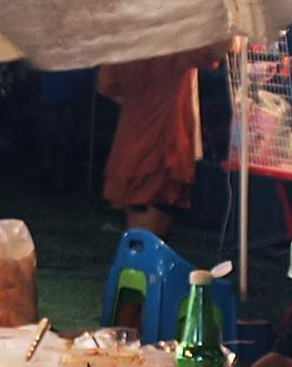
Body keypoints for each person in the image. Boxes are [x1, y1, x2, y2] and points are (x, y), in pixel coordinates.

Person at [96, 45, 224, 232]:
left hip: (132, 137)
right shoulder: (174, 40)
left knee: (137, 228)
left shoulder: (123, 38)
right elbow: (215, 51)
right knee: (148, 237)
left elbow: (108, 86)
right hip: (163, 145)